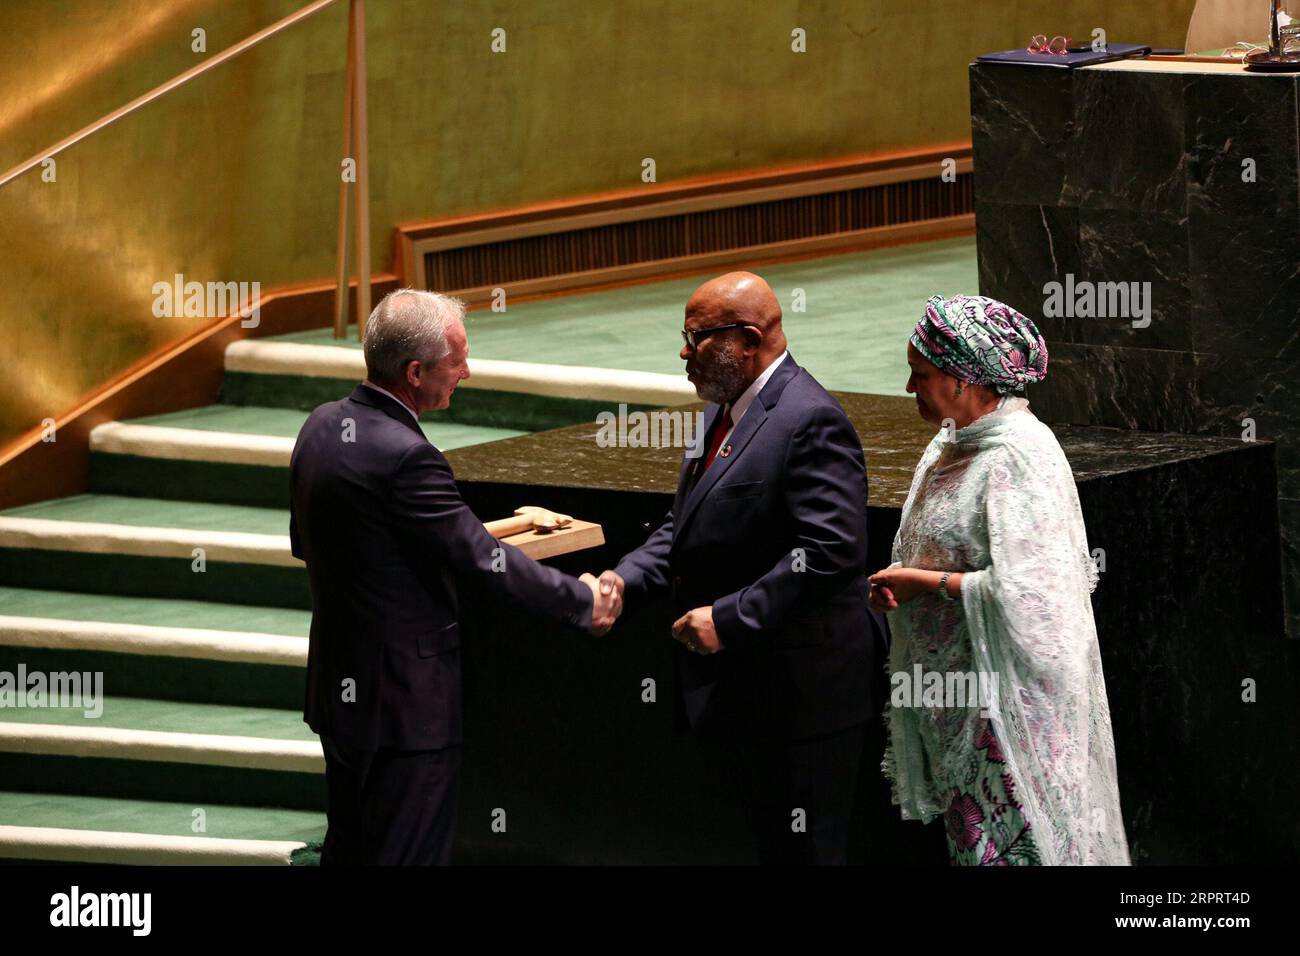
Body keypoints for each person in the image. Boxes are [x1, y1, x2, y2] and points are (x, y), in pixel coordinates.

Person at [289, 288, 618, 865]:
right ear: (415, 372)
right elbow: (480, 562)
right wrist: (581, 599)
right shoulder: (409, 457)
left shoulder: (321, 427)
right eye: (456, 361)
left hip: (341, 694)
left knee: (349, 852)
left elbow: (323, 545)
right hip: (405, 708)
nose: (466, 371)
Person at [593, 271, 886, 865]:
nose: (683, 351)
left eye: (695, 336)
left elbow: (829, 552)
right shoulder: (726, 409)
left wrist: (728, 619)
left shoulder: (810, 420)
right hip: (741, 693)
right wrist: (624, 578)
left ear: (747, 339)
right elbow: (687, 523)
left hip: (803, 695)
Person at [869, 293, 1129, 865]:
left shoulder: (1018, 457)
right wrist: (908, 580)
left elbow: (1039, 597)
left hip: (1011, 714)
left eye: (921, 374)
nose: (910, 388)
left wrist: (924, 583)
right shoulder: (951, 444)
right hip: (959, 703)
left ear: (963, 380)